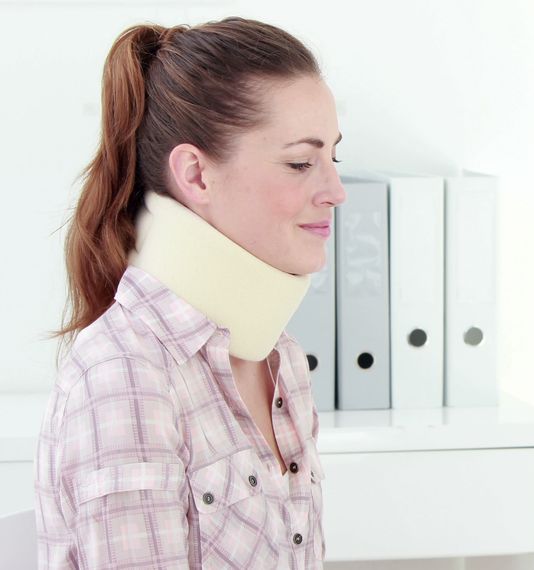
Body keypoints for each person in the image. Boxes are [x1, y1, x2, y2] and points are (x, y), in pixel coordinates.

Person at [35, 17, 345, 568]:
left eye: (332, 158)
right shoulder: (125, 377)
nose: (336, 192)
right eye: (301, 162)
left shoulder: (281, 361)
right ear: (196, 176)